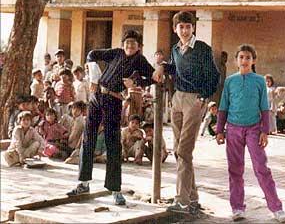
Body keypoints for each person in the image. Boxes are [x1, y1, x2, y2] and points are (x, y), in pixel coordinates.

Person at [67, 29, 155, 206]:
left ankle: (115, 190)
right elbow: (92, 54)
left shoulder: (140, 60)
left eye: (133, 43)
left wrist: (136, 83)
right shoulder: (116, 52)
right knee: (88, 140)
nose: (129, 45)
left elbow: (153, 77)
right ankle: (83, 183)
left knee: (113, 144)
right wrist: (93, 75)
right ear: (123, 44)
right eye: (127, 42)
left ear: (139, 46)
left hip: (113, 102)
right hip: (96, 97)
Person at [153, 11, 220, 214]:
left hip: (194, 100)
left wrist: (204, 96)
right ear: (175, 29)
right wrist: (162, 67)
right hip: (178, 99)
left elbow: (214, 75)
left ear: (193, 28)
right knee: (178, 150)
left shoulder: (202, 49)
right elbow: (176, 69)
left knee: (184, 151)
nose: (184, 30)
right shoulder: (175, 49)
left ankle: (181, 200)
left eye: (188, 27)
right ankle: (192, 197)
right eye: (180, 27)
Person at [216, 44, 285, 223]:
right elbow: (223, 106)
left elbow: (264, 107)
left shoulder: (259, 81)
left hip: (254, 129)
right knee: (235, 169)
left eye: (248, 57)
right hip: (232, 129)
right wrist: (219, 130)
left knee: (261, 168)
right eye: (241, 57)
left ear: (253, 60)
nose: (244, 60)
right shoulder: (230, 81)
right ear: (236, 60)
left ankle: (276, 208)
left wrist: (265, 131)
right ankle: (237, 207)